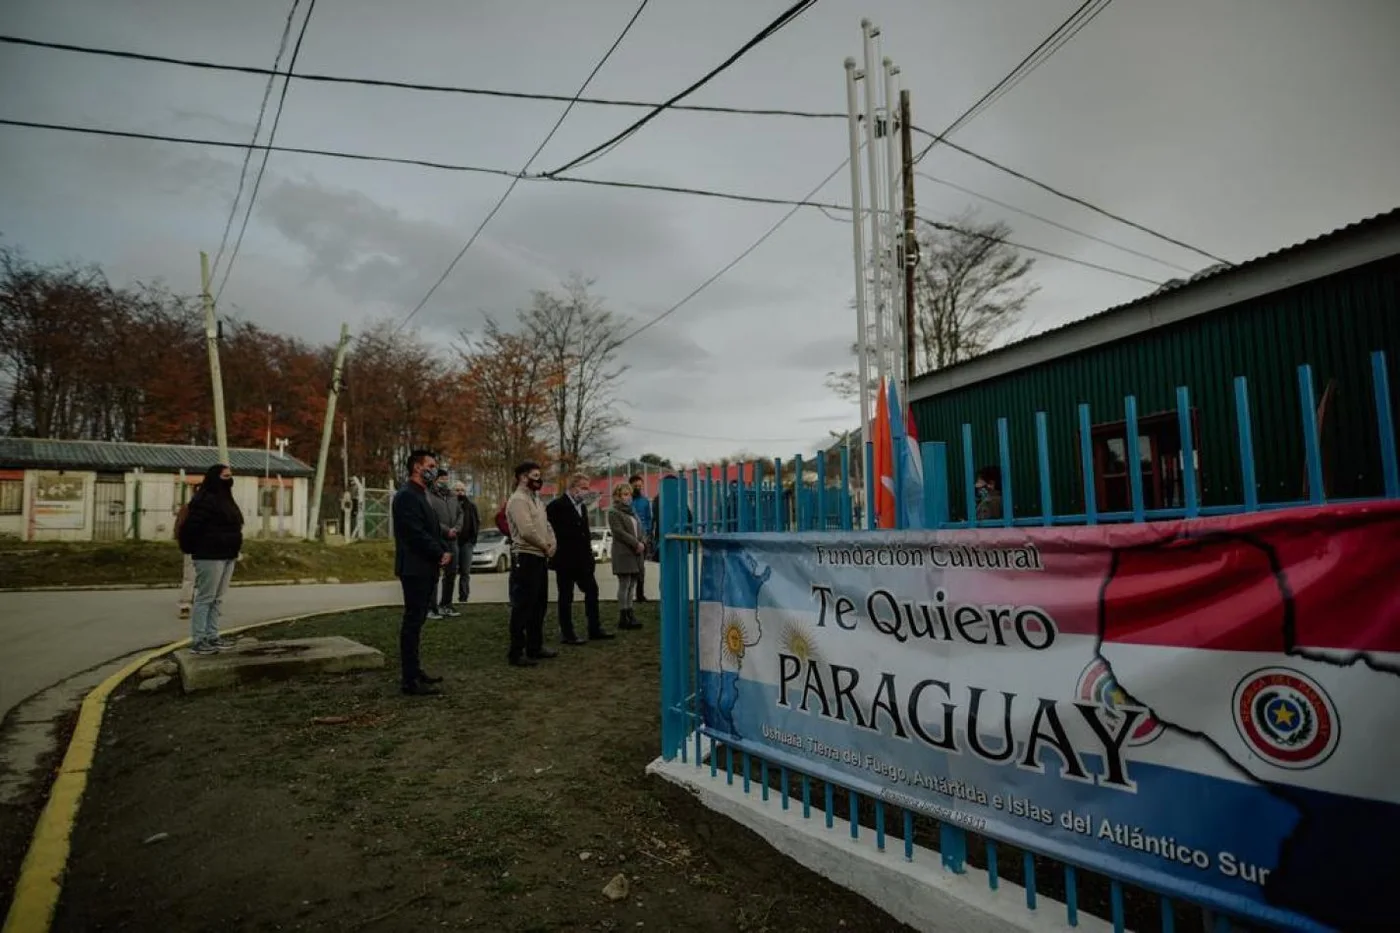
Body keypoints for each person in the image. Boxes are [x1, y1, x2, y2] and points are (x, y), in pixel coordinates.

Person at [392, 450, 452, 696]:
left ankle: (415, 671)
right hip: (415, 567)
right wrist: (439, 552)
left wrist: (443, 549)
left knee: (418, 622)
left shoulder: (423, 494)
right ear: (416, 467)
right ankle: (409, 679)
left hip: (426, 566)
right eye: (430, 465)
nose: (434, 469)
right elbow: (415, 533)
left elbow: (433, 528)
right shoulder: (406, 496)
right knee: (412, 622)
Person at [177, 464, 244, 655]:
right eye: (225, 476)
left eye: (231, 476)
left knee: (218, 599)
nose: (229, 480)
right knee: (205, 598)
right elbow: (191, 528)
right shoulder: (204, 500)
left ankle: (213, 636)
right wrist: (192, 548)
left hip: (228, 555)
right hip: (209, 556)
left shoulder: (227, 500)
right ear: (215, 478)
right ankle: (199, 639)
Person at [545, 473, 614, 645]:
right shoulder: (556, 506)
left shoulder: (581, 507)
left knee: (592, 591)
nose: (586, 491)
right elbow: (551, 531)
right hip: (565, 560)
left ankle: (594, 628)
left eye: (587, 488)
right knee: (566, 596)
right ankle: (567, 633)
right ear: (573, 487)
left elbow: (585, 533)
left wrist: (589, 557)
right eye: (583, 488)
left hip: (583, 560)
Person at [505, 461, 557, 667]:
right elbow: (526, 531)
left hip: (540, 556)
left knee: (539, 604)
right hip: (526, 556)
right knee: (523, 606)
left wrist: (552, 542)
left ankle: (535, 647)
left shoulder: (536, 500)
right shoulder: (518, 500)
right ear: (522, 477)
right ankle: (516, 652)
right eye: (534, 475)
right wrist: (544, 545)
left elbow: (546, 524)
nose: (539, 479)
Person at [608, 482, 645, 630]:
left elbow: (639, 528)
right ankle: (623, 616)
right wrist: (635, 543)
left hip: (636, 552)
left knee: (632, 585)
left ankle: (630, 613)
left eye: (629, 494)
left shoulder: (632, 512)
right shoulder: (613, 512)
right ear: (617, 496)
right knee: (624, 584)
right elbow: (619, 532)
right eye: (624, 494)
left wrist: (642, 541)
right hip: (623, 552)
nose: (627, 497)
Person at [428, 472, 464, 619]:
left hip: (452, 540)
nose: (445, 481)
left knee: (451, 573)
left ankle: (446, 605)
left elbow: (460, 514)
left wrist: (456, 528)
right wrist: (445, 530)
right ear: (435, 480)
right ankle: (431, 608)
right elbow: (430, 517)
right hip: (437, 539)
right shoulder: (429, 496)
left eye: (446, 479)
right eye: (442, 479)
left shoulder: (452, 497)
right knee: (433, 574)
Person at [453, 481, 481, 604]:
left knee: (465, 572)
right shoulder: (449, 505)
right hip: (452, 542)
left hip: (467, 543)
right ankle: (446, 600)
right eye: (457, 490)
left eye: (462, 490)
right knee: (450, 572)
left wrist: (473, 539)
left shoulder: (471, 506)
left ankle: (463, 598)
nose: (460, 492)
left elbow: (476, 522)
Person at [628, 474, 652, 603]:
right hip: (629, 537)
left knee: (641, 568)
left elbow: (648, 518)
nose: (638, 488)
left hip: (642, 538)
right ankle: (628, 595)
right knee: (629, 568)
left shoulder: (645, 501)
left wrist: (646, 535)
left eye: (640, 486)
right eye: (635, 486)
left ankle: (640, 594)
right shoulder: (627, 500)